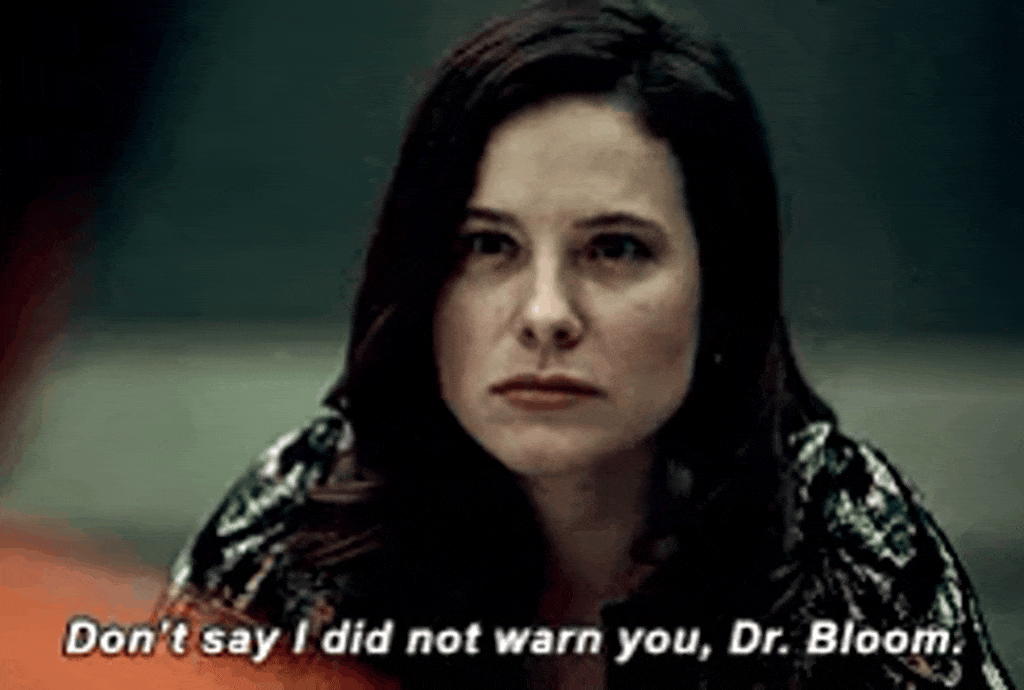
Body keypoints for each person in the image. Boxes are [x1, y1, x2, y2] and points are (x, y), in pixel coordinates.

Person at [154, 1, 1015, 687]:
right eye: (487, 245)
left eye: (616, 249)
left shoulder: (836, 540)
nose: (546, 314)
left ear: (720, 290)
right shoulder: (298, 522)